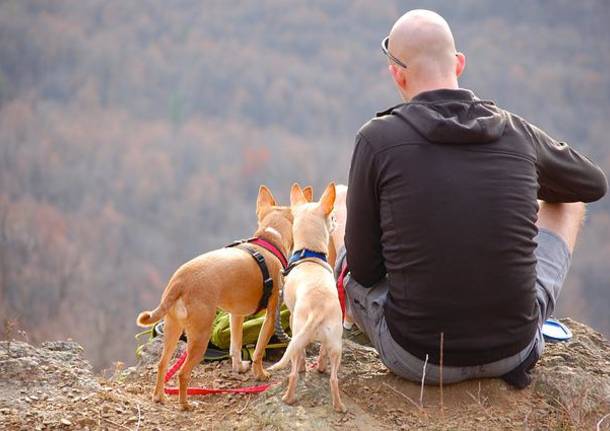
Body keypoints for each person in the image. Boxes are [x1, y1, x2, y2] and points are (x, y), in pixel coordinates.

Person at [337, 9, 608, 387]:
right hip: (514, 349)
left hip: (418, 357)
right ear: (459, 64)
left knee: (342, 203)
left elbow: (364, 272)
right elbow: (591, 185)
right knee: (568, 201)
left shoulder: (376, 140)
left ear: (396, 73)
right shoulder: (516, 132)